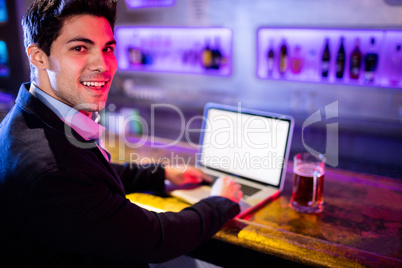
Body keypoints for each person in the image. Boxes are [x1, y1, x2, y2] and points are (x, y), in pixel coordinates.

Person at [0, 0, 243, 267]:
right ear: (38, 56)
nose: (103, 65)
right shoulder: (51, 170)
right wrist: (220, 202)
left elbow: (89, 172)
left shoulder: (30, 118)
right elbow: (155, 239)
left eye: (108, 48)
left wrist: (161, 176)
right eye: (80, 48)